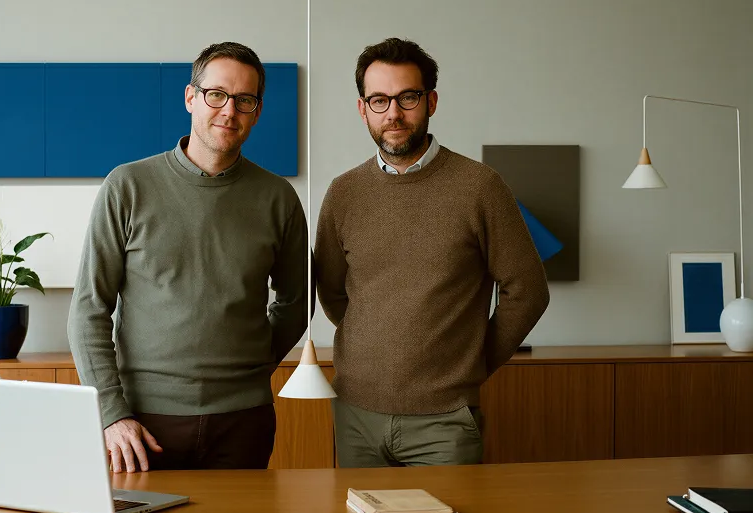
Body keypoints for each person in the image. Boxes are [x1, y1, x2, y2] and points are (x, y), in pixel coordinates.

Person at [68, 42, 309, 473]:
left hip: (245, 419)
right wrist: (111, 413)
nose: (228, 111)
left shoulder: (278, 198)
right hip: (141, 424)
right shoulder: (127, 186)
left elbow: (297, 300)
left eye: (245, 100)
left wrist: (251, 366)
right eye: (216, 94)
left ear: (257, 110)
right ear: (190, 98)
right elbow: (88, 309)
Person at [314, 37, 550, 468]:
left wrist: (473, 362)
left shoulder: (480, 186)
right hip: (355, 415)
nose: (394, 114)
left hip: (445, 423)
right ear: (363, 108)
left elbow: (528, 290)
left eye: (407, 97)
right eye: (379, 100)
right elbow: (332, 291)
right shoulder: (343, 192)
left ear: (432, 101)